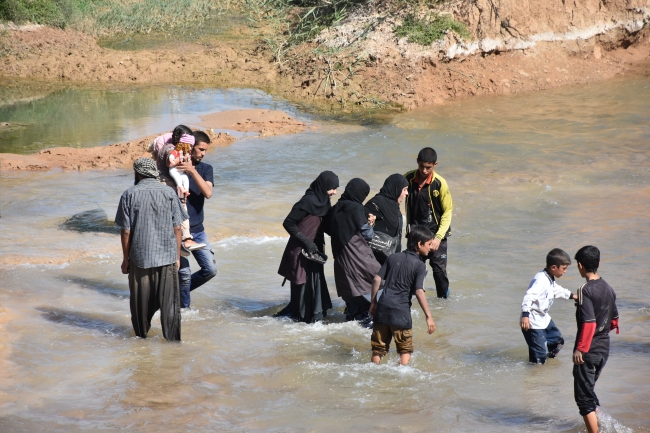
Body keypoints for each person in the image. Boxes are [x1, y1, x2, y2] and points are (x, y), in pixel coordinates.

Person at [114, 157, 187, 341]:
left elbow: (126, 232)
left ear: (137, 173)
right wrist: (177, 257)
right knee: (170, 306)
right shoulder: (169, 193)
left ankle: (141, 340)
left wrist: (125, 260)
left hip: (140, 259)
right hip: (167, 258)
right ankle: (173, 346)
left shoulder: (129, 195)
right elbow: (177, 228)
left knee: (140, 306)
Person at [276, 171, 339, 323]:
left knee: (314, 283)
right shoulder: (307, 202)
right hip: (300, 250)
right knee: (302, 284)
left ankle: (312, 318)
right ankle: (301, 319)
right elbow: (288, 223)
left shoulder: (324, 202)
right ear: (323, 187)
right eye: (332, 188)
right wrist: (307, 242)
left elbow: (324, 226)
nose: (335, 192)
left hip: (314, 251)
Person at [368, 225, 437, 366]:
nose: (431, 248)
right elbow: (419, 291)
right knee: (404, 350)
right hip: (401, 313)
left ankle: (374, 369)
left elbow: (376, 279)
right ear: (419, 244)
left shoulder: (393, 257)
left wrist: (373, 302)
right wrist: (429, 316)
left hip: (382, 309)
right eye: (429, 244)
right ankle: (402, 379)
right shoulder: (419, 265)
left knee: (378, 349)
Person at [572, 246, 619, 433]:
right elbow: (614, 320)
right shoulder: (608, 287)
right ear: (598, 263)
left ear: (580, 266)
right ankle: (603, 426)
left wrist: (580, 349)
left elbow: (590, 323)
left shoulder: (585, 290)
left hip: (589, 349)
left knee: (583, 397)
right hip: (603, 348)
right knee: (589, 390)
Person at [326, 178, 379, 325]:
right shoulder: (356, 208)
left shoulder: (335, 208)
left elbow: (329, 229)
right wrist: (371, 224)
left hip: (340, 257)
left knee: (352, 297)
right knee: (378, 281)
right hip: (358, 256)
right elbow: (367, 235)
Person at [404, 147, 453, 298]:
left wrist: (438, 238)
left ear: (435, 165)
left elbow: (448, 211)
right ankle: (413, 302)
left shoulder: (440, 183)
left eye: (428, 167)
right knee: (413, 271)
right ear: (417, 162)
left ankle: (444, 303)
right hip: (416, 235)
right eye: (421, 166)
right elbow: (393, 194)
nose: (424, 171)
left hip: (436, 235)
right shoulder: (407, 178)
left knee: (439, 272)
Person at [176, 130, 217, 309]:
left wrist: (192, 171)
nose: (203, 153)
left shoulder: (205, 169)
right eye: (200, 149)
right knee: (184, 274)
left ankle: (175, 294)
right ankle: (184, 310)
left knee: (210, 270)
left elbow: (208, 193)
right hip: (177, 231)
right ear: (190, 148)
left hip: (198, 230)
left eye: (205, 150)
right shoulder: (175, 169)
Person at [150, 124, 205, 254]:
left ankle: (176, 243)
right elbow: (170, 161)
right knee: (182, 210)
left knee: (169, 214)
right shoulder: (170, 148)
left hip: (163, 184)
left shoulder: (168, 147)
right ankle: (185, 240)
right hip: (168, 184)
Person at [520, 248, 578, 364]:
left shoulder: (549, 278)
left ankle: (544, 361)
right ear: (553, 267)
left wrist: (573, 296)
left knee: (557, 341)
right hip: (533, 321)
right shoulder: (540, 279)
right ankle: (536, 369)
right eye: (564, 268)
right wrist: (525, 315)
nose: (565, 271)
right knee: (539, 357)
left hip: (544, 318)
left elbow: (556, 290)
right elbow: (529, 296)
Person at [364, 173, 409, 264]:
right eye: (404, 190)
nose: (407, 193)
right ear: (395, 189)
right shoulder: (375, 204)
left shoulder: (394, 206)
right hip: (375, 261)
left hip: (392, 259)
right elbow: (362, 227)